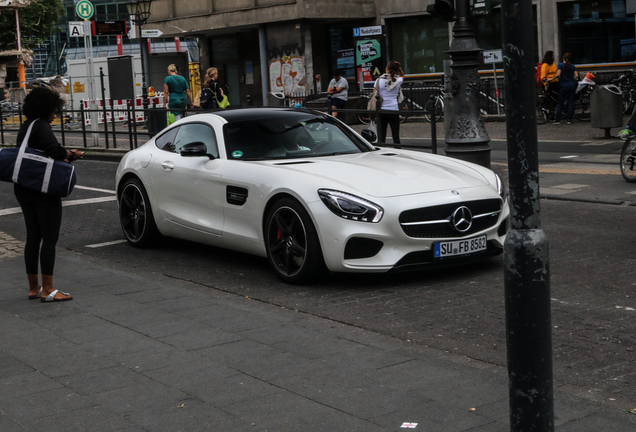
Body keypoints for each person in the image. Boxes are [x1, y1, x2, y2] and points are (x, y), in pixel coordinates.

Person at [14, 87, 84, 302]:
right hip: (42, 189)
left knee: (33, 237)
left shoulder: (26, 126)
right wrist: (72, 154)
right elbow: (55, 151)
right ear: (46, 108)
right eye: (54, 110)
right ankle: (49, 289)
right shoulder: (41, 126)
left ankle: (34, 287)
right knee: (50, 238)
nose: (55, 114)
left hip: (24, 187)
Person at [375, 60, 405, 144]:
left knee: (382, 136)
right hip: (393, 109)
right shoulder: (397, 81)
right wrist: (399, 69)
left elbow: (375, 93)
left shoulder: (378, 80)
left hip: (382, 110)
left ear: (386, 68)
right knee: (396, 136)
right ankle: (397, 151)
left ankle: (382, 153)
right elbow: (402, 76)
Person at [547, 52, 579, 124]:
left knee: (560, 103)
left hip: (564, 86)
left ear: (563, 58)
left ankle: (558, 119)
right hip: (572, 85)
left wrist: (551, 79)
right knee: (570, 102)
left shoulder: (560, 65)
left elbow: (558, 74)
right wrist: (572, 80)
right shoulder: (573, 66)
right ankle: (569, 119)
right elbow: (576, 76)